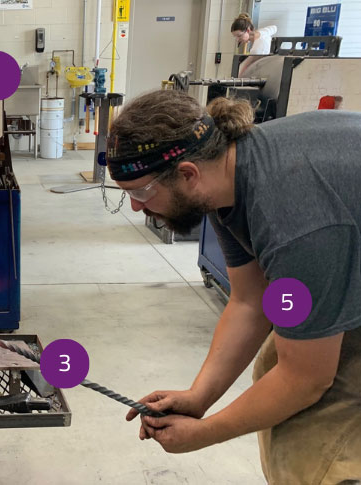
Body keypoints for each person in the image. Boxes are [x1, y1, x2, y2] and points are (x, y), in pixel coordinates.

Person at [108, 89, 361, 484]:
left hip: (329, 238)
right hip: (340, 249)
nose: (137, 207)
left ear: (188, 173)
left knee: (315, 448)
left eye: (141, 192)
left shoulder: (292, 220)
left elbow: (308, 378)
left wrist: (205, 435)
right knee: (275, 362)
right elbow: (249, 301)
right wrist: (199, 398)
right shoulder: (227, 183)